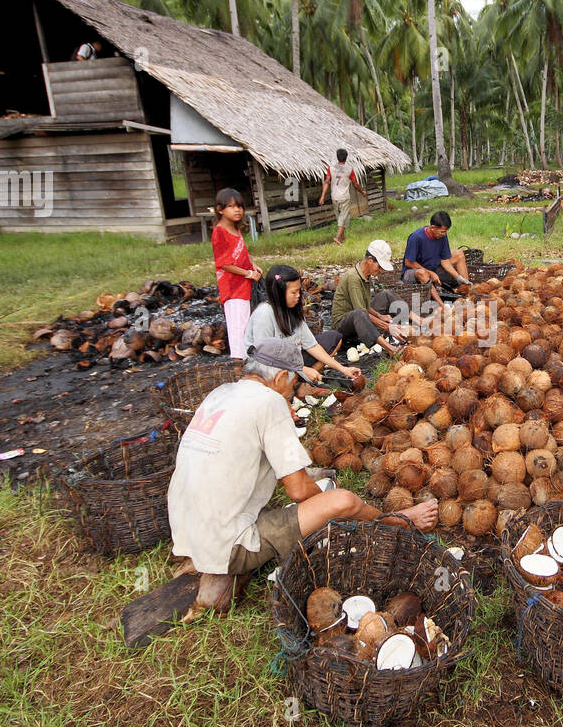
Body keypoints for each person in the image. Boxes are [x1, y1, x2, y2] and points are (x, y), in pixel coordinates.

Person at [167, 338, 438, 615]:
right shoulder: (269, 401)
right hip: (226, 545)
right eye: (294, 384)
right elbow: (298, 490)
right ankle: (398, 521)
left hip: (185, 530)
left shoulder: (220, 394)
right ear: (281, 376)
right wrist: (326, 506)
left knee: (317, 495)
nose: (294, 392)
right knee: (342, 501)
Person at [244, 264, 362, 390]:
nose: (298, 296)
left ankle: (301, 382)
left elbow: (312, 345)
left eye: (299, 291)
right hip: (266, 368)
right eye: (293, 292)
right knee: (273, 371)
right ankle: (295, 385)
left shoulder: (292, 310)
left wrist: (343, 369)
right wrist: (301, 369)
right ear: (278, 293)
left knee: (334, 337)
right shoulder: (264, 314)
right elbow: (265, 358)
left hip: (290, 361)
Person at [330, 239, 410, 354]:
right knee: (359, 313)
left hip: (358, 316)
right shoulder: (354, 278)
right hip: (342, 326)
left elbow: (365, 305)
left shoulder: (366, 276)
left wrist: (379, 316)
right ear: (369, 260)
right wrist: (387, 327)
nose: (381, 270)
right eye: (380, 266)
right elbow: (361, 311)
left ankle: (418, 319)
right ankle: (391, 349)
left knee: (386, 294)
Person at [211, 187, 261, 358]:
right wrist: (248, 274)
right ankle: (239, 363)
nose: (237, 210)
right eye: (231, 206)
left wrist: (252, 265)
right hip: (232, 288)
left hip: (243, 285)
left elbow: (241, 255)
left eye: (239, 206)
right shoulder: (219, 231)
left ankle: (248, 359)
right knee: (238, 328)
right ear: (220, 209)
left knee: (246, 325)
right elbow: (224, 263)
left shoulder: (235, 229)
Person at [402, 210, 470, 307]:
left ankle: (466, 294)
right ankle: (442, 306)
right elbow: (409, 263)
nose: (444, 234)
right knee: (422, 273)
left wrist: (458, 277)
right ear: (432, 227)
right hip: (413, 272)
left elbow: (445, 260)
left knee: (459, 254)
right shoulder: (416, 237)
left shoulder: (442, 236)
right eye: (442, 231)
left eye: (446, 232)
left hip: (433, 268)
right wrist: (430, 273)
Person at [318, 148, 366, 246]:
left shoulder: (331, 168)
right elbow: (355, 184)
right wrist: (362, 192)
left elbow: (327, 182)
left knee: (339, 217)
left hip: (334, 197)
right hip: (344, 197)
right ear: (346, 157)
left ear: (337, 157)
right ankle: (337, 237)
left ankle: (342, 237)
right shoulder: (349, 170)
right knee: (343, 218)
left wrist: (322, 196)